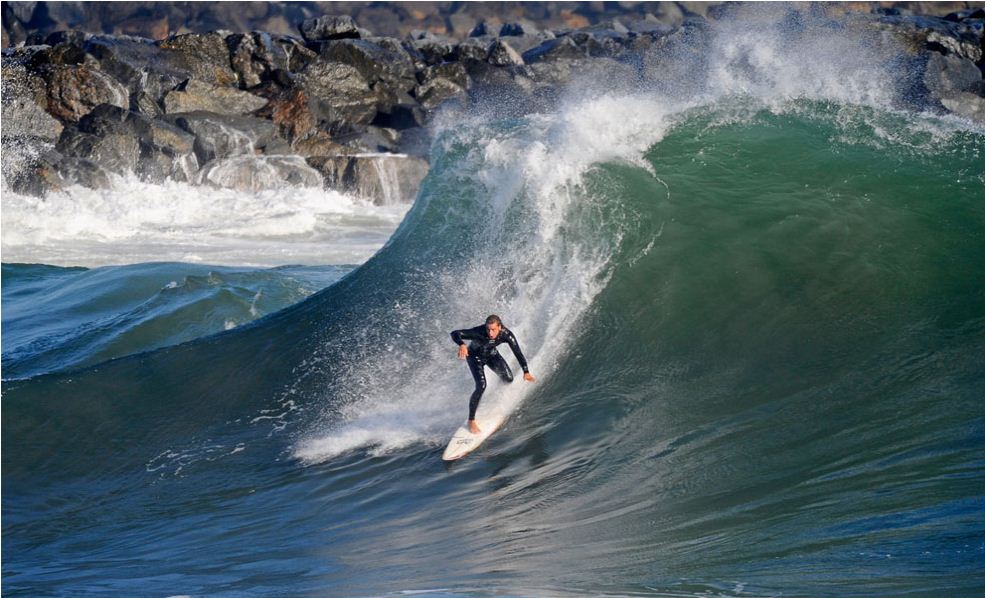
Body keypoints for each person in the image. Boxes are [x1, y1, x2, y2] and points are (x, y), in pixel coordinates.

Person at [450, 314, 535, 434]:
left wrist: (526, 372)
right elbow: (455, 333)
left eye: (493, 329)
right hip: (475, 358)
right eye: (488, 329)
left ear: (500, 327)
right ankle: (471, 420)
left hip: (492, 355)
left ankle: (494, 396)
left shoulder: (506, 334)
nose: (490, 333)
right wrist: (462, 344)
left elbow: (518, 352)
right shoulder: (479, 331)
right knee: (481, 386)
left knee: (508, 379)